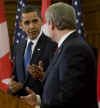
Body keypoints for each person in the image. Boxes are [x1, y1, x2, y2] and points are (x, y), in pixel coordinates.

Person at [21, 2, 98, 108]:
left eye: (46, 24)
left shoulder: (74, 49)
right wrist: (39, 99)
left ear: (51, 24)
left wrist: (40, 106)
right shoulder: (66, 46)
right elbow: (61, 86)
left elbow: (68, 98)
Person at [8, 5, 57, 96]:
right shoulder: (18, 46)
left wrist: (42, 76)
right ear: (21, 25)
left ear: (41, 21)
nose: (31, 26)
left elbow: (56, 80)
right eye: (27, 23)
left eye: (35, 21)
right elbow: (16, 76)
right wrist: (12, 86)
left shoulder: (52, 46)